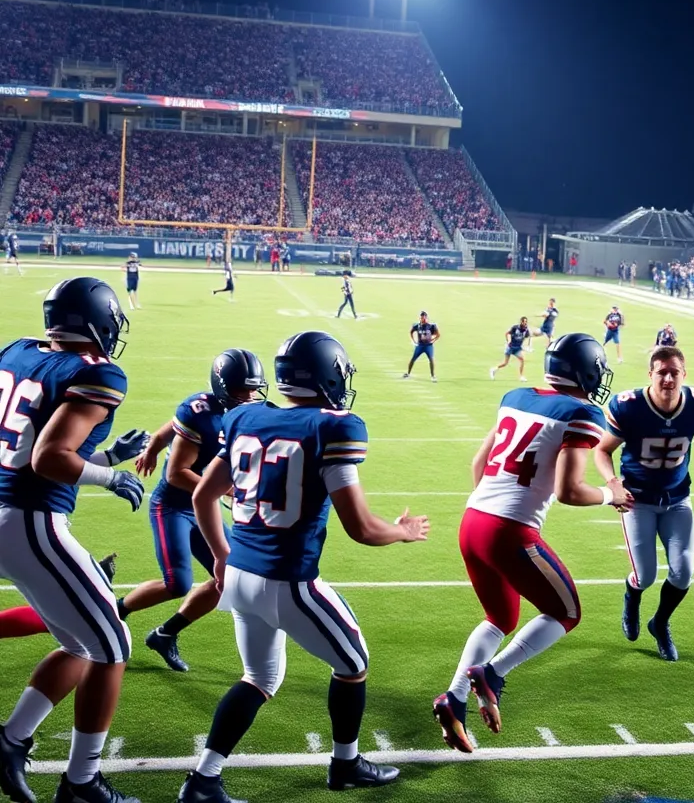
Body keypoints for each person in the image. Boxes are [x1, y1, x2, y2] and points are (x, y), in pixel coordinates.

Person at [178, 331, 430, 803]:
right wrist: (403, 531)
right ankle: (346, 764)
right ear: (329, 374)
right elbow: (362, 528)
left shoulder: (242, 416)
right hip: (290, 582)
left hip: (240, 577)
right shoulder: (335, 427)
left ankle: (203, 780)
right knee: (354, 664)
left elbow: (201, 495)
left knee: (259, 678)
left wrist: (220, 554)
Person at [432, 333, 632, 754]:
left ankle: (454, 697)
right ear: (587, 371)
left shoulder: (517, 395)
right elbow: (569, 489)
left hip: (472, 521)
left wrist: (492, 511)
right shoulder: (581, 412)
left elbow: (478, 462)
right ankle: (495, 674)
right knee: (567, 612)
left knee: (499, 618)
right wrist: (609, 493)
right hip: (508, 530)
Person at [0, 277, 145, 803]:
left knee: (81, 642)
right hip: (30, 519)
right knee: (113, 645)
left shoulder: (16, 351)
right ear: (98, 323)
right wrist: (111, 478)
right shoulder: (97, 373)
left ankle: (11, 742)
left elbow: (23, 443)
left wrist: (107, 458)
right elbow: (48, 459)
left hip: (8, 508)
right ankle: (81, 782)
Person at [127, 350, 268, 672]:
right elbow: (176, 473)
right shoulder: (200, 410)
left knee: (229, 578)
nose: (249, 396)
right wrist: (229, 490)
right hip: (173, 506)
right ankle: (114, 612)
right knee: (176, 582)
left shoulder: (245, 412)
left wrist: (154, 444)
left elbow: (169, 428)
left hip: (202, 506)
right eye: (241, 390)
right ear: (221, 387)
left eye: (253, 389)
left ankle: (165, 634)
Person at [594, 346, 694, 661]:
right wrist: (614, 484)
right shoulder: (630, 407)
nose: (667, 379)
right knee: (645, 575)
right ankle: (632, 597)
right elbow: (601, 450)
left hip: (677, 499)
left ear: (684, 375)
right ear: (650, 374)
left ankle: (660, 623)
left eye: (673, 372)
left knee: (683, 572)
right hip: (637, 501)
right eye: (661, 372)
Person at [491, 317, 530, 381]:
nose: (525, 323)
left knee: (522, 360)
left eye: (526, 321)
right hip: (510, 347)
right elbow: (507, 333)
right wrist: (508, 341)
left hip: (517, 348)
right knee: (505, 363)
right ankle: (493, 369)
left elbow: (526, 337)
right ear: (521, 322)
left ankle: (521, 376)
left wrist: (525, 346)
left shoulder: (526, 330)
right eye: (524, 321)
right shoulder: (515, 328)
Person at [404, 311, 440, 381]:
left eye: (423, 318)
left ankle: (433, 376)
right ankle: (408, 373)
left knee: (431, 359)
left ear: (426, 318)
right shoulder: (417, 325)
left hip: (428, 346)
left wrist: (433, 339)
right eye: (421, 318)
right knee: (413, 359)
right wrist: (413, 341)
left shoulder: (431, 326)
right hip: (420, 345)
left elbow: (438, 334)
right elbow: (411, 332)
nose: (422, 319)